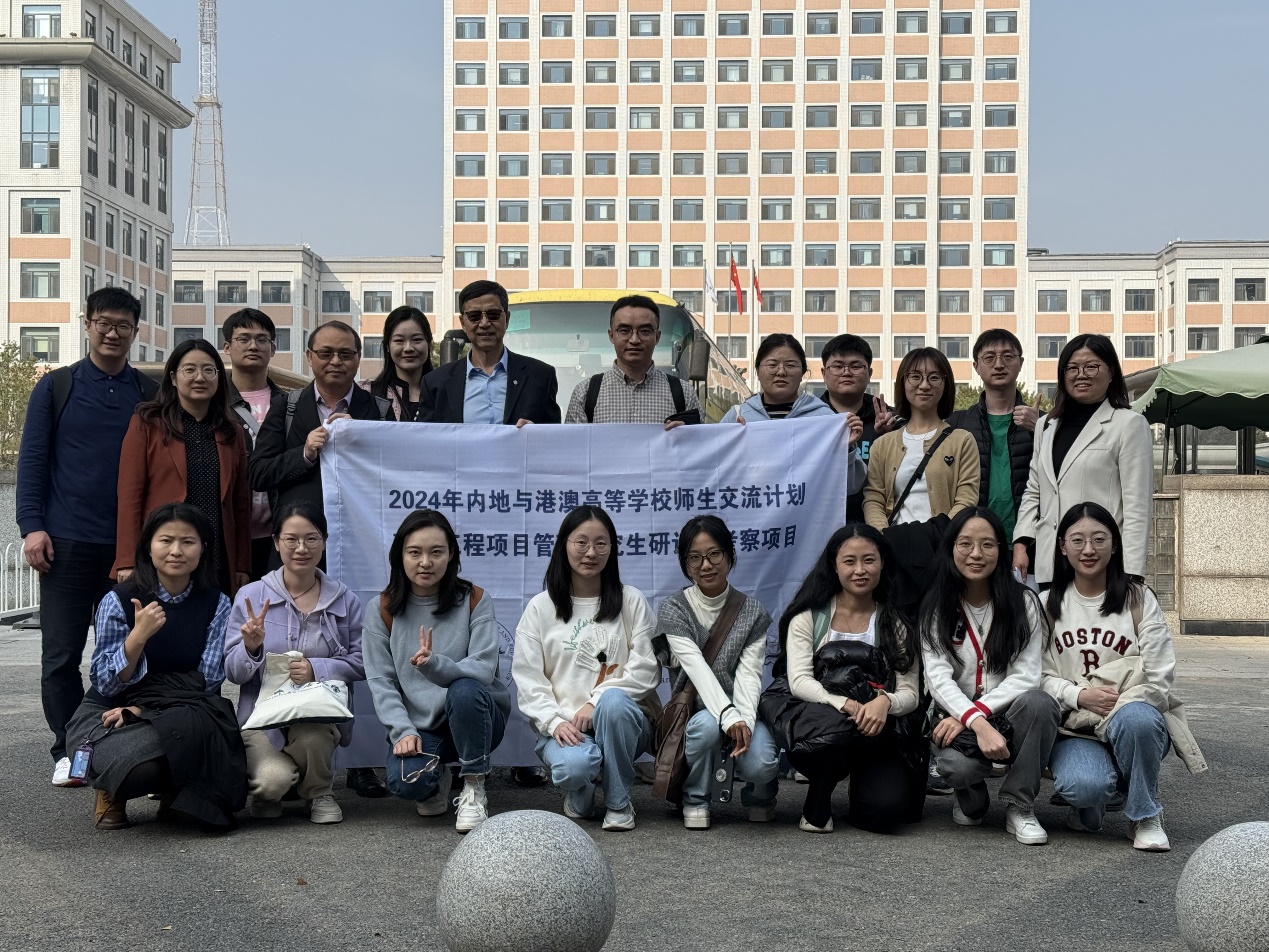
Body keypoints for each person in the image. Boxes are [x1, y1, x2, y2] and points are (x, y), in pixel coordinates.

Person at [17, 286, 158, 786]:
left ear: (135, 332)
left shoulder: (148, 393)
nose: (113, 333)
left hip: (131, 548)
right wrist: (31, 526)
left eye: (123, 325)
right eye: (104, 323)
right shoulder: (57, 386)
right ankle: (68, 750)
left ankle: (129, 747)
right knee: (61, 656)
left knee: (133, 653)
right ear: (87, 323)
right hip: (68, 543)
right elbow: (33, 461)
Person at [248, 320, 393, 798]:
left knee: (357, 649)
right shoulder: (289, 406)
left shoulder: (377, 408)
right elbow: (258, 471)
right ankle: (290, 749)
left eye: (346, 354)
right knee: (303, 652)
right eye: (326, 353)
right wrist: (305, 453)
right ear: (309, 356)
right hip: (304, 549)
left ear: (358, 358)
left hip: (363, 545)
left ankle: (361, 760)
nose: (336, 362)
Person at [64, 503, 244, 831]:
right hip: (110, 712)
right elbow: (106, 684)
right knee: (139, 768)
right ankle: (111, 790)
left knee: (198, 745)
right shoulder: (118, 600)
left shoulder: (216, 603)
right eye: (166, 540)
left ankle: (175, 793)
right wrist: (138, 637)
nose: (176, 551)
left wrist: (144, 710)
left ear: (203, 548)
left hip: (183, 712)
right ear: (149, 546)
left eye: (188, 542)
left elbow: (208, 681)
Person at [1041, 502, 1205, 852]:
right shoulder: (1046, 604)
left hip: (1131, 715)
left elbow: (1160, 677)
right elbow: (1035, 675)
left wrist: (1114, 706)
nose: (1089, 549)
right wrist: (1078, 696)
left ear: (1114, 544)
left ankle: (1145, 814)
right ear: (1062, 546)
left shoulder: (1138, 598)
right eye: (1078, 540)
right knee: (1084, 788)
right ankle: (1096, 795)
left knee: (1138, 721)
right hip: (1075, 727)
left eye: (1099, 539)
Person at [764, 524, 924, 834]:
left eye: (869, 560)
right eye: (849, 561)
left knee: (886, 812)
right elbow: (799, 681)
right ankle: (820, 791)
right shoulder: (808, 617)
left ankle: (863, 785)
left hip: (878, 730)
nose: (860, 570)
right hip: (825, 726)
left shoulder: (896, 623)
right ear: (834, 566)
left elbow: (910, 692)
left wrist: (885, 702)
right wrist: (843, 703)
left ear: (882, 563)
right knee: (831, 731)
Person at [512, 506, 660, 832]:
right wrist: (554, 721)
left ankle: (619, 804)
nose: (591, 553)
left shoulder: (631, 601)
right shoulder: (540, 607)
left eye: (601, 543)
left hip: (624, 725)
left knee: (614, 702)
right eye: (581, 542)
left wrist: (597, 700)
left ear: (612, 548)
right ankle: (581, 789)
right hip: (565, 729)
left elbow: (647, 667)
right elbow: (528, 678)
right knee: (575, 768)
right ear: (564, 545)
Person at [364, 510, 509, 833]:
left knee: (464, 688)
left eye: (436, 552)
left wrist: (435, 665)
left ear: (451, 554)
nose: (425, 562)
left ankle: (474, 785)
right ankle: (436, 777)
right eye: (415, 552)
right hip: (422, 728)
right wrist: (402, 730)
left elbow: (483, 668)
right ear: (400, 555)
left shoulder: (474, 599)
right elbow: (382, 681)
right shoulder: (382, 608)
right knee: (407, 783)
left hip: (477, 718)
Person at [919, 507, 1056, 845]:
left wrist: (976, 714)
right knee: (956, 769)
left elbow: (1027, 675)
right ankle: (970, 793)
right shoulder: (936, 605)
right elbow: (937, 677)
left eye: (987, 544)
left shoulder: (1023, 602)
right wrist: (974, 721)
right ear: (951, 548)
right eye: (965, 543)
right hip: (956, 716)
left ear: (1001, 549)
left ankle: (1020, 805)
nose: (976, 554)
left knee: (1040, 703)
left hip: (1006, 712)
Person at [224, 502, 365, 825]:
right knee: (271, 783)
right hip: (263, 718)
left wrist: (318, 669)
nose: (302, 548)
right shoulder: (251, 596)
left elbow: (362, 663)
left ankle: (319, 791)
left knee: (314, 738)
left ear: (324, 541)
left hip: (316, 715)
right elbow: (232, 672)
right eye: (291, 539)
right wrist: (251, 647)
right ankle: (277, 787)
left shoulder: (345, 600)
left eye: (312, 538)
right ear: (276, 542)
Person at [652, 516, 778, 830]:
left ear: (730, 554)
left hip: (742, 708)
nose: (706, 565)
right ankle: (695, 798)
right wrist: (727, 716)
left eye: (714, 554)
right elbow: (696, 668)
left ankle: (760, 796)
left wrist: (744, 722)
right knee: (707, 726)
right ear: (685, 563)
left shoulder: (752, 612)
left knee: (762, 764)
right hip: (697, 713)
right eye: (694, 557)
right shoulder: (674, 609)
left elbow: (750, 675)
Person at [1014, 334, 1153, 588]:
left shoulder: (1129, 424)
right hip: (1051, 559)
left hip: (1100, 563)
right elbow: (1034, 489)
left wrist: (1132, 573)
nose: (1081, 375)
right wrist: (1021, 542)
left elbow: (1137, 506)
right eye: (1072, 368)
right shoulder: (1046, 425)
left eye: (1091, 367)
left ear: (1111, 372)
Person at [114, 339, 251, 595]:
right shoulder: (147, 423)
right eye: (190, 369)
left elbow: (240, 502)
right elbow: (130, 495)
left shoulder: (231, 431)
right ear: (173, 378)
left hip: (216, 553)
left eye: (208, 370)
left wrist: (241, 563)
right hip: (166, 553)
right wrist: (127, 559)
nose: (200, 377)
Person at [721, 333, 866, 492]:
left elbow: (851, 486)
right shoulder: (737, 416)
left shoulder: (825, 418)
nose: (781, 372)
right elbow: (713, 472)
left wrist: (846, 449)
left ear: (803, 372)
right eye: (772, 364)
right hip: (751, 504)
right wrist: (732, 446)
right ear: (757, 370)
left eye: (790, 365)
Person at [863, 346, 979, 532]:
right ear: (903, 382)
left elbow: (966, 499)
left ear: (945, 384)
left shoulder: (962, 441)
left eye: (934, 377)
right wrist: (883, 536)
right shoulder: (882, 444)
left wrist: (941, 536)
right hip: (894, 542)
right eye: (915, 376)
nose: (924, 385)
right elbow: (874, 498)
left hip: (942, 543)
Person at [416, 279, 561, 425]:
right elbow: (425, 436)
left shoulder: (541, 376)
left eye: (493, 314)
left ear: (507, 319)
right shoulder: (435, 383)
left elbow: (555, 435)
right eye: (474, 316)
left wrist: (536, 434)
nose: (484, 323)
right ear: (463, 323)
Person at [947, 329, 1038, 543]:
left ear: (1021, 363)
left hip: (1029, 540)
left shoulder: (1042, 422)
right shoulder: (956, 423)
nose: (999, 365)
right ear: (976, 366)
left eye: (1008, 356)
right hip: (972, 541)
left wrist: (1041, 430)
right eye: (989, 357)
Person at [564, 293, 703, 428]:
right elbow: (573, 443)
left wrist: (688, 434)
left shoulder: (684, 394)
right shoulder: (584, 394)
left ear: (657, 337)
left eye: (645, 331)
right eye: (624, 331)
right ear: (611, 335)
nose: (634, 340)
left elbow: (702, 441)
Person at [221, 308, 284, 580]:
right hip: (228, 532)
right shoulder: (213, 403)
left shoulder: (291, 404)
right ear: (227, 347)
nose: (253, 346)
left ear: (273, 348)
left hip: (279, 536)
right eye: (243, 339)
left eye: (262, 339)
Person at [818, 334, 897, 522]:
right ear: (824, 373)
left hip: (879, 525)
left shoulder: (892, 421)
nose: (846, 372)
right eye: (838, 366)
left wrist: (889, 438)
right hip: (820, 525)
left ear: (869, 373)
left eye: (855, 366)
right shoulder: (809, 420)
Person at [361, 304, 433, 422]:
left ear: (429, 343)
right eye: (399, 340)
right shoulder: (367, 393)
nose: (408, 348)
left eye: (417, 339)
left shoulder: (445, 393)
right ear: (388, 346)